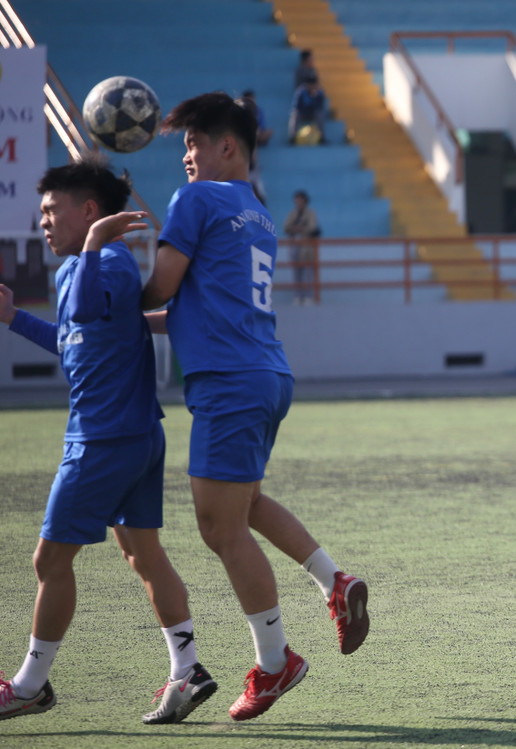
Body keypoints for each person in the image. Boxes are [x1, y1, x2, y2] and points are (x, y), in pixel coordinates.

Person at [140, 92, 370, 722]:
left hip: (229, 381)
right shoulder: (258, 212)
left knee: (220, 526)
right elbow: (192, 306)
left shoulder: (195, 200)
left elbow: (161, 286)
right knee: (245, 504)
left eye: (194, 142)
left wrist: (106, 296)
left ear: (227, 146)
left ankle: (275, 663)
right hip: (265, 371)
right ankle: (335, 582)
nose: (186, 156)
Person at [0, 156, 216, 725]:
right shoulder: (82, 265)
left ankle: (30, 686)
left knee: (49, 559)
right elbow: (75, 338)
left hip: (103, 439)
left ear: (90, 211)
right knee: (143, 555)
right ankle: (187, 669)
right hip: (133, 434)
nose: (44, 221)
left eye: (53, 210)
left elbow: (86, 306)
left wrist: (96, 243)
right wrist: (15, 318)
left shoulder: (110, 261)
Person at [284, 189, 320, 305]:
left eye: (300, 199)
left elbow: (313, 227)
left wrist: (300, 228)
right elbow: (286, 227)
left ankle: (308, 296)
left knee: (307, 272)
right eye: (296, 200)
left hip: (306, 246)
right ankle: (297, 296)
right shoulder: (292, 214)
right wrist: (297, 228)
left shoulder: (311, 213)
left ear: (305, 200)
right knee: (296, 271)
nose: (298, 202)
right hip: (294, 244)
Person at [288, 71, 329, 145]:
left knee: (320, 114)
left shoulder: (319, 93)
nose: (312, 87)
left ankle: (322, 137)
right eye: (311, 85)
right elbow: (296, 106)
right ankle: (293, 137)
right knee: (295, 114)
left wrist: (315, 97)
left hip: (313, 114)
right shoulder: (301, 92)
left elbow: (320, 107)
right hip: (303, 113)